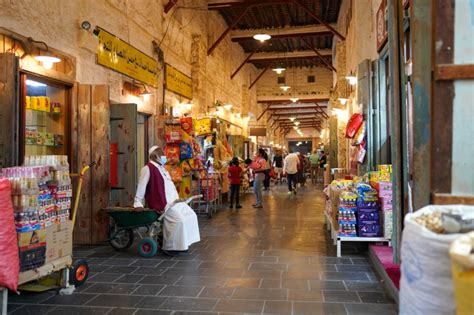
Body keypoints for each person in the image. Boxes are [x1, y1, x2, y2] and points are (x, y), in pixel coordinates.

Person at [134, 146, 200, 255]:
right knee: (179, 220)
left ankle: (183, 243)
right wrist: (137, 202)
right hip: (163, 203)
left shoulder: (163, 168)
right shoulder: (147, 168)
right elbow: (141, 186)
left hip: (174, 201)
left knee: (191, 215)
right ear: (155, 156)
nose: (165, 157)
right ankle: (170, 247)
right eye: (162, 155)